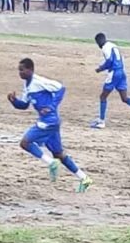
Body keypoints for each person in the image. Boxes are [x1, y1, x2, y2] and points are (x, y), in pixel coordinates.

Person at [8, 58, 94, 193]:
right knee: (59, 154)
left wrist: (52, 106)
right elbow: (24, 105)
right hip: (50, 122)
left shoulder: (39, 82)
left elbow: (61, 88)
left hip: (49, 121)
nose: (20, 73)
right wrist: (13, 101)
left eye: (22, 70)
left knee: (25, 143)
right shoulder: (27, 86)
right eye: (19, 70)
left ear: (30, 70)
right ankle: (84, 178)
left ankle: (50, 163)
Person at [90, 32, 130, 129]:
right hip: (121, 71)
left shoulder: (105, 47)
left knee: (103, 96)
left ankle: (101, 121)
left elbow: (110, 61)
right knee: (124, 97)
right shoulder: (113, 45)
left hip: (114, 73)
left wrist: (100, 68)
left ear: (99, 41)